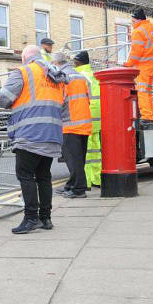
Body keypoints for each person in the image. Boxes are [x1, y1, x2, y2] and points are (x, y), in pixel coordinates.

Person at [0, 45, 64, 233]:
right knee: (44, 176)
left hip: (29, 133)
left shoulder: (23, 72)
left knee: (25, 175)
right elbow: (62, 103)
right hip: (52, 133)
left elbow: (4, 98)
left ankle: (31, 217)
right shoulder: (55, 75)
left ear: (25, 58)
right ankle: (46, 218)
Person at [52, 52, 92, 199]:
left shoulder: (61, 78)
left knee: (73, 160)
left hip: (69, 124)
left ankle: (78, 189)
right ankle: (71, 185)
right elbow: (89, 98)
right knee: (79, 159)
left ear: (56, 64)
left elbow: (59, 102)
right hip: (84, 123)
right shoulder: (81, 77)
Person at [124, 8, 153, 121]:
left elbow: (136, 52)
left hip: (143, 67)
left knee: (141, 92)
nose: (132, 24)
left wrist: (128, 64)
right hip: (152, 65)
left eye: (133, 22)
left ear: (137, 20)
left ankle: (147, 117)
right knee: (147, 92)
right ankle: (150, 115)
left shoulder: (138, 31)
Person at [73, 51, 101, 189]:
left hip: (86, 116)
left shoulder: (79, 76)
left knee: (86, 152)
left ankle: (86, 182)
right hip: (97, 117)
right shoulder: (94, 76)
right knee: (96, 151)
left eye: (75, 61)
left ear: (78, 62)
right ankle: (98, 179)